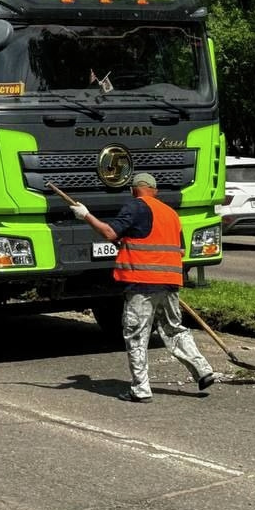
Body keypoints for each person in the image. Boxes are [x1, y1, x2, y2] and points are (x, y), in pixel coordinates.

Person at [70, 172, 215, 402]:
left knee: (136, 334)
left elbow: (109, 232)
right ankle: (203, 369)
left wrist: (86, 215)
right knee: (174, 329)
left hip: (142, 285)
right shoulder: (170, 214)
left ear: (133, 190)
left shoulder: (135, 207)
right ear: (154, 191)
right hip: (169, 283)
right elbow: (179, 251)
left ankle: (140, 389)